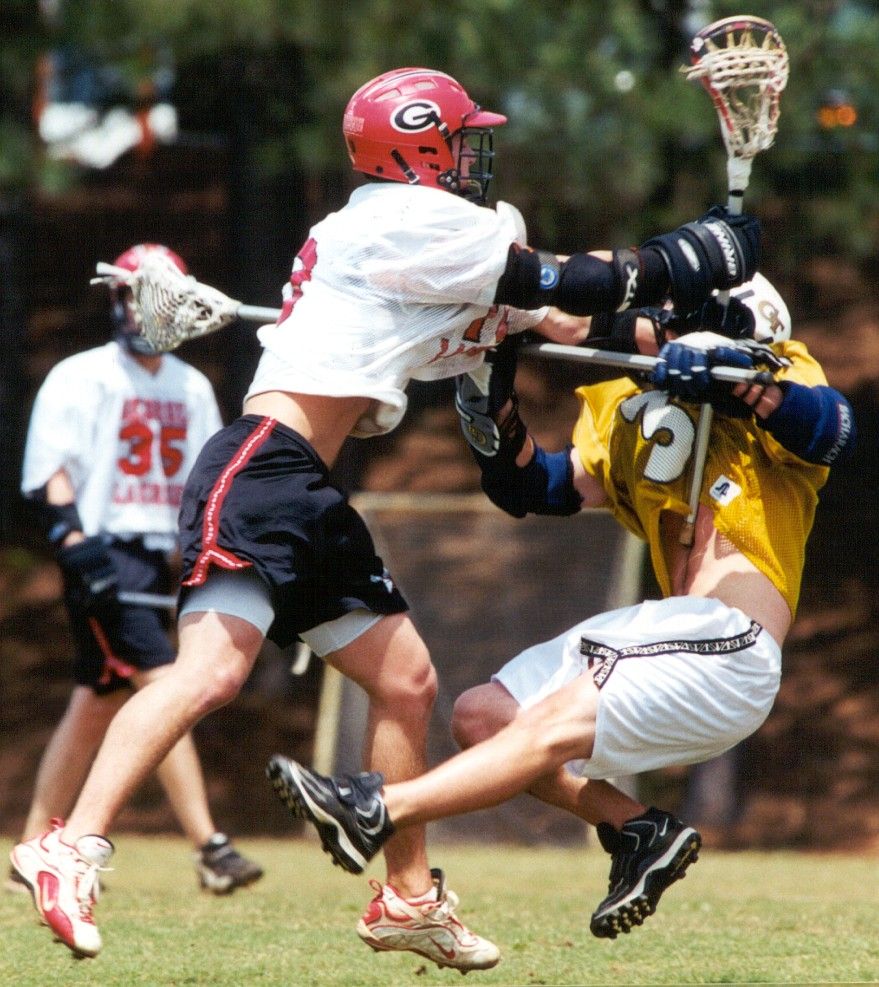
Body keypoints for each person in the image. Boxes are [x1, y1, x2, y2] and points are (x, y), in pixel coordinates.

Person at [10, 66, 760, 966]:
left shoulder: (421, 241)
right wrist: (695, 250)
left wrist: (696, 323)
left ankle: (408, 898)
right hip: (262, 468)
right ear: (417, 147)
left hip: (303, 483)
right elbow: (571, 279)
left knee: (405, 681)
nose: (473, 155)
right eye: (459, 139)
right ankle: (70, 844)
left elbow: (564, 322)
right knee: (209, 674)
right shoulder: (407, 218)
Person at [266, 273, 856, 944]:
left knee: (549, 724)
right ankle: (638, 829)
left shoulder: (781, 377)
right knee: (483, 716)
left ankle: (376, 808)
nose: (652, 320)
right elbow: (540, 486)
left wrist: (737, 381)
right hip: (674, 636)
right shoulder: (628, 401)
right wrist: (492, 407)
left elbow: (831, 429)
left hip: (730, 641)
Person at [10, 244, 263, 900]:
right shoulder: (81, 374)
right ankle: (210, 846)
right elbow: (51, 465)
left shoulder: (191, 386)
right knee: (165, 686)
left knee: (95, 704)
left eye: (147, 294)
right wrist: (73, 540)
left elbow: (203, 483)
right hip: (102, 551)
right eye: (126, 294)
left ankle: (30, 846)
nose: (134, 308)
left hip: (157, 559)